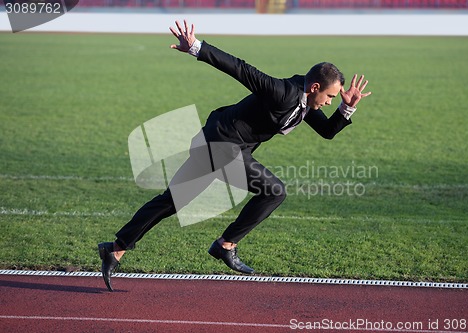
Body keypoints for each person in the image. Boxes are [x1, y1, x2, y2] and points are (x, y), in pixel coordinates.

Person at [98, 19, 371, 291]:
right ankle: (225, 245)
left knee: (171, 202)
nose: (329, 101)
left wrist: (346, 110)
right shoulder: (282, 92)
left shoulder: (306, 104)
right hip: (222, 144)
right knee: (274, 191)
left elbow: (327, 131)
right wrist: (196, 47)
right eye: (331, 97)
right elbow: (240, 69)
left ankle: (115, 249)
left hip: (221, 146)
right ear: (314, 88)